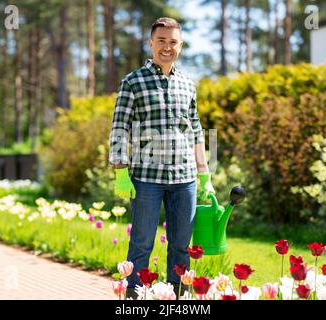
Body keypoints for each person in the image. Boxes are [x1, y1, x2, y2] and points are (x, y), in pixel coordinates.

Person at [108, 17, 215, 298]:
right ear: (151, 43)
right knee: (142, 244)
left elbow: (196, 130)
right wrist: (121, 171)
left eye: (173, 42)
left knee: (181, 246)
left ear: (180, 45)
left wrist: (204, 175)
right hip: (146, 179)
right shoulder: (132, 82)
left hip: (185, 180)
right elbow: (120, 128)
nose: (167, 47)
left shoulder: (187, 84)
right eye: (161, 41)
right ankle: (135, 299)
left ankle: (176, 297)